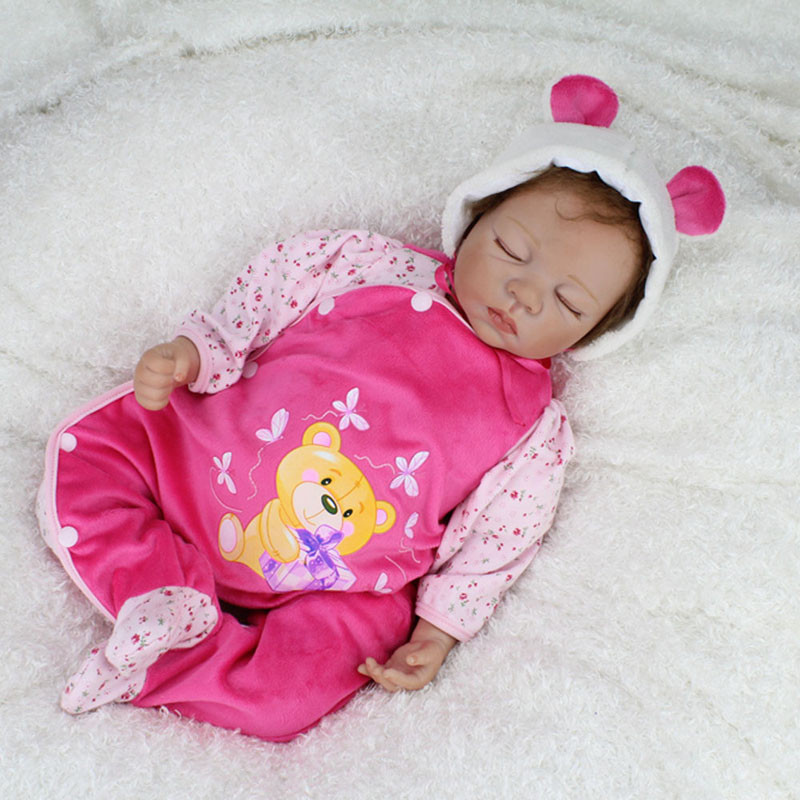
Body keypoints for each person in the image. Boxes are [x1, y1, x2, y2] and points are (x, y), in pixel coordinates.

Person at [36, 75, 724, 741]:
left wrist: (439, 631)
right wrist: (197, 351)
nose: (524, 293)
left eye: (569, 303)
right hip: (202, 466)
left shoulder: (534, 429)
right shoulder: (372, 266)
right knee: (95, 455)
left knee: (294, 692)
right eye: (511, 249)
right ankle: (158, 592)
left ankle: (164, 665)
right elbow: (268, 290)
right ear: (474, 216)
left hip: (335, 582)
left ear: (592, 333)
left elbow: (499, 542)